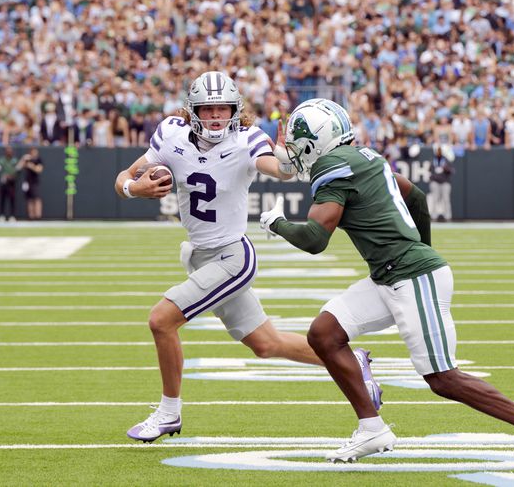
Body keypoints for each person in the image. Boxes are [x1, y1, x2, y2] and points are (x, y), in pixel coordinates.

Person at [260, 98, 514, 473]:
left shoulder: (331, 168)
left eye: (297, 143)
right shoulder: (365, 156)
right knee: (324, 333)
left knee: (443, 379)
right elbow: (416, 196)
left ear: (316, 142)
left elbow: (314, 240)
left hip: (410, 275)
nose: (293, 151)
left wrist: (276, 222)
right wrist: (422, 246)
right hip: (391, 275)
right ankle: (372, 428)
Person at [114, 72, 375, 443]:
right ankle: (354, 361)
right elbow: (125, 175)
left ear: (236, 110)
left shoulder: (246, 140)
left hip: (232, 257)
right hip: (201, 256)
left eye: (223, 108)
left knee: (161, 320)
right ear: (193, 111)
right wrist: (133, 187)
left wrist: (289, 157)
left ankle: (169, 413)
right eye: (209, 108)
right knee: (267, 344)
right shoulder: (171, 134)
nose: (217, 116)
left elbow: (279, 169)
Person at [428, 145, 452, 222]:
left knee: (446, 199)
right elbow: (429, 170)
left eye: (440, 150)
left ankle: (448, 216)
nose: (439, 152)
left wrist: (446, 168)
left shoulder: (446, 160)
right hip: (435, 182)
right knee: (434, 199)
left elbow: (451, 171)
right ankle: (434, 215)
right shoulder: (433, 160)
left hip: (445, 182)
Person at [0, 146, 18, 221]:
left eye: (10, 151)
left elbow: (18, 170)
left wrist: (12, 176)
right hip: (3, 182)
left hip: (12, 183)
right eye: (8, 151)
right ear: (5, 152)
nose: (9, 152)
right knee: (2, 199)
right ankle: (1, 215)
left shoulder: (15, 160)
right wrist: (3, 175)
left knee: (12, 199)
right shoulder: (1, 160)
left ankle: (12, 215)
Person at [18, 147, 44, 220]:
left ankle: (38, 216)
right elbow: (18, 167)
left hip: (34, 182)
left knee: (37, 198)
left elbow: (39, 170)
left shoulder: (38, 160)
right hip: (27, 182)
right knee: (29, 199)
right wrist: (23, 159)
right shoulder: (27, 160)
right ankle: (31, 216)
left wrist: (31, 165)